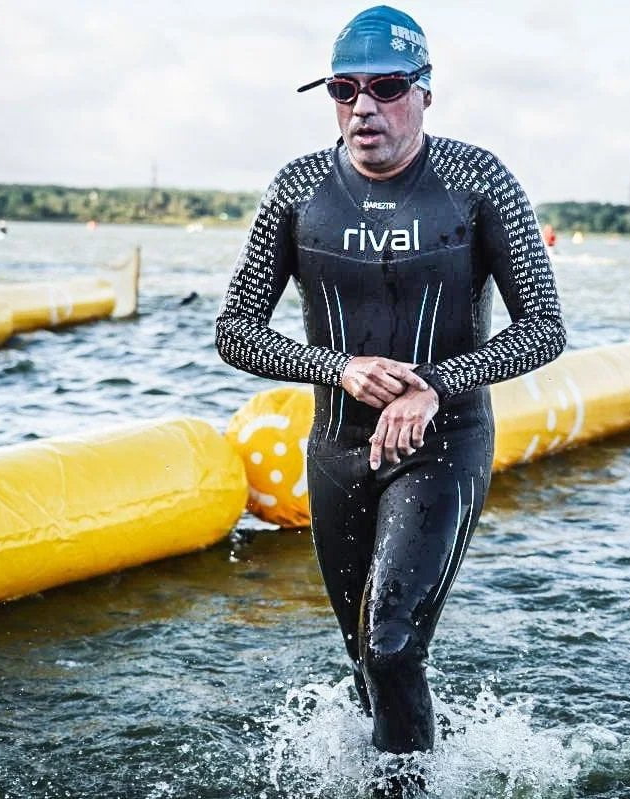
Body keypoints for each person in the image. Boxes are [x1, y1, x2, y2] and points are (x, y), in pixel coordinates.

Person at [216, 1, 565, 774]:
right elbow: (234, 328)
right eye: (343, 90)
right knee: (365, 660)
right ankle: (404, 770)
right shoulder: (298, 188)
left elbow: (544, 326)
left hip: (443, 446)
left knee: (394, 643)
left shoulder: (478, 182)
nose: (363, 106)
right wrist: (335, 366)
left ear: (425, 92)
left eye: (385, 86)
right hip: (338, 449)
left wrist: (434, 384)